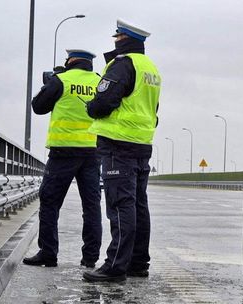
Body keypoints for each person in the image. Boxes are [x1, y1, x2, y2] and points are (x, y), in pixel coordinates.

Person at [82, 19, 161, 282]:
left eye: (115, 37)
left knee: (119, 204)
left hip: (118, 141)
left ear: (121, 39)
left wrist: (91, 108)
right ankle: (138, 263)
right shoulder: (150, 68)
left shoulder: (122, 64)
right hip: (141, 142)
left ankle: (115, 266)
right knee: (138, 204)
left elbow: (104, 101)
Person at [23, 50, 102, 268]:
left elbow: (38, 107)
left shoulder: (61, 80)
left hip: (63, 153)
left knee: (50, 201)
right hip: (92, 152)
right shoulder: (99, 81)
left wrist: (49, 83)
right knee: (92, 206)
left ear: (70, 61)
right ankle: (90, 258)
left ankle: (48, 254)